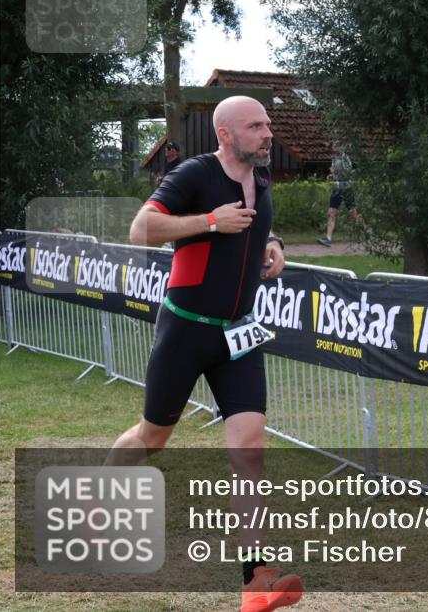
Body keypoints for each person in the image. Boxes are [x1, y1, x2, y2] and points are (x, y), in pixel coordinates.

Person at [110, 96, 303, 612]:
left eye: (268, 124)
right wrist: (210, 222)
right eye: (256, 126)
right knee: (153, 438)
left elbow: (257, 224)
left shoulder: (260, 179)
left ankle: (256, 581)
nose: (268, 134)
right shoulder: (194, 175)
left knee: (250, 448)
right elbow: (140, 231)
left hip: (238, 337)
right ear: (224, 133)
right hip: (187, 330)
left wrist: (275, 243)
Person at [318, 147, 365, 246]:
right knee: (331, 212)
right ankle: (328, 239)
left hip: (346, 188)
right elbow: (334, 172)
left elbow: (348, 172)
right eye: (333, 145)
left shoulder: (345, 158)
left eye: (336, 146)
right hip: (336, 189)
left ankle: (368, 231)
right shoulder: (334, 159)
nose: (333, 148)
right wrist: (331, 176)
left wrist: (336, 171)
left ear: (341, 147)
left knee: (353, 213)